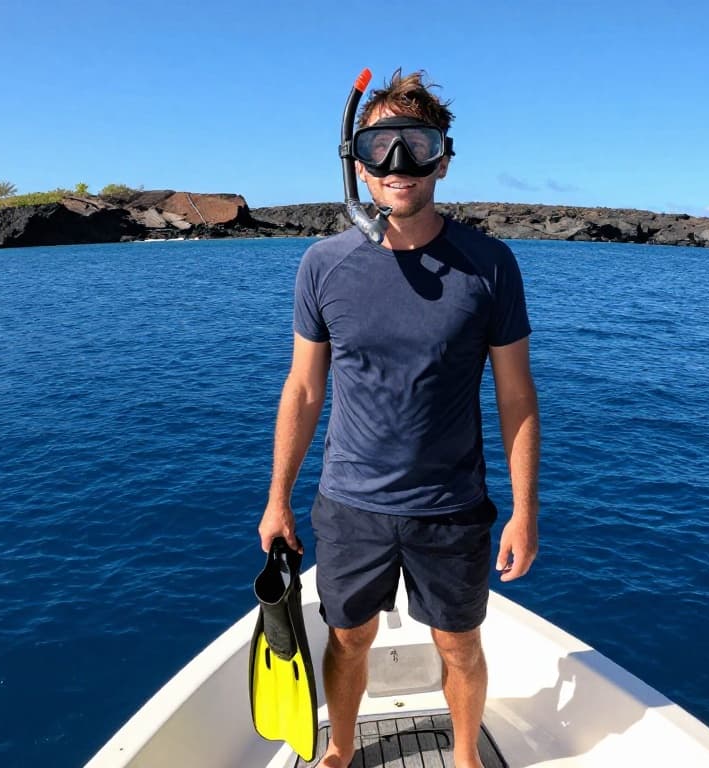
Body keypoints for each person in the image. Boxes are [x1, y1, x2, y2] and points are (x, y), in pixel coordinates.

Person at [257, 68, 540, 768]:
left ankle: (468, 755)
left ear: (443, 156)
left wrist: (526, 511)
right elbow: (302, 390)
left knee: (459, 644)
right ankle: (342, 748)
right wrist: (276, 501)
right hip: (350, 505)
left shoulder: (490, 266)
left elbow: (516, 397)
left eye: (416, 144)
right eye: (381, 145)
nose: (398, 164)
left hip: (452, 508)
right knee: (348, 638)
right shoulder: (323, 265)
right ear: (356, 160)